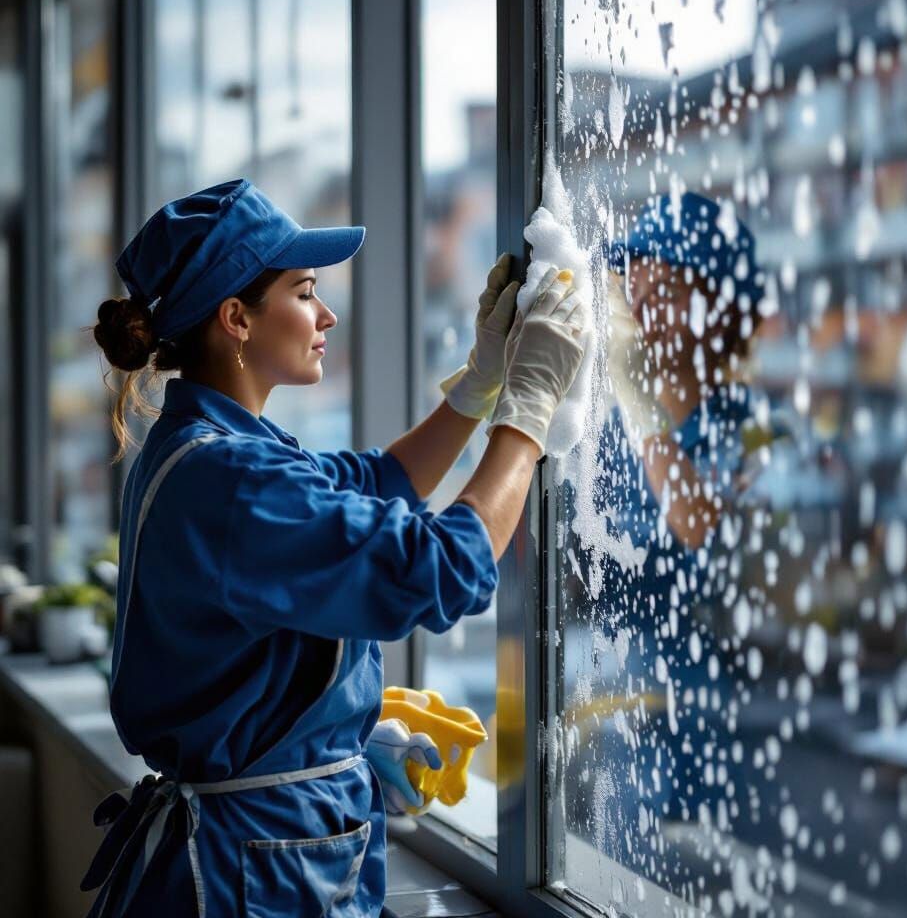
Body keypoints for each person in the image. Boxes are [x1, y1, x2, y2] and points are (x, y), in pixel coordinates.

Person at [84, 178, 589, 918]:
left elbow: (377, 482)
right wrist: (529, 413)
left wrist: (480, 387)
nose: (327, 314)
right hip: (251, 877)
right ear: (237, 319)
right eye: (303, 291)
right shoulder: (229, 478)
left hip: (258, 852)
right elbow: (445, 568)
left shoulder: (205, 447)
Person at [559, 192, 787, 876]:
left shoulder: (755, 424)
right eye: (637, 290)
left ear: (721, 304)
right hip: (613, 716)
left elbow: (699, 530)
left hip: (723, 727)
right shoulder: (611, 422)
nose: (643, 310)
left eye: (667, 289)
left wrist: (642, 405)